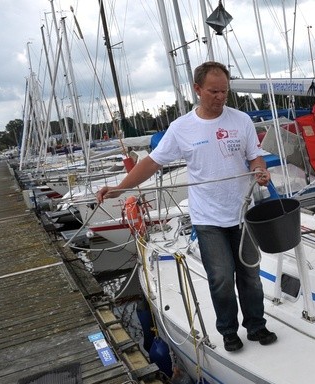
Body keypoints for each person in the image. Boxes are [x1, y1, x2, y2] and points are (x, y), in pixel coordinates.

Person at [97, 61, 276, 352]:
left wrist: (259, 170)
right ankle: (228, 330)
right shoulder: (181, 128)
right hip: (208, 218)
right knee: (220, 277)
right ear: (197, 89)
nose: (220, 97)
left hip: (242, 213)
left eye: (224, 92)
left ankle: (256, 326)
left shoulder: (241, 120)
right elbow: (152, 163)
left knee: (250, 274)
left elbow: (254, 157)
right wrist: (119, 187)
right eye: (213, 91)